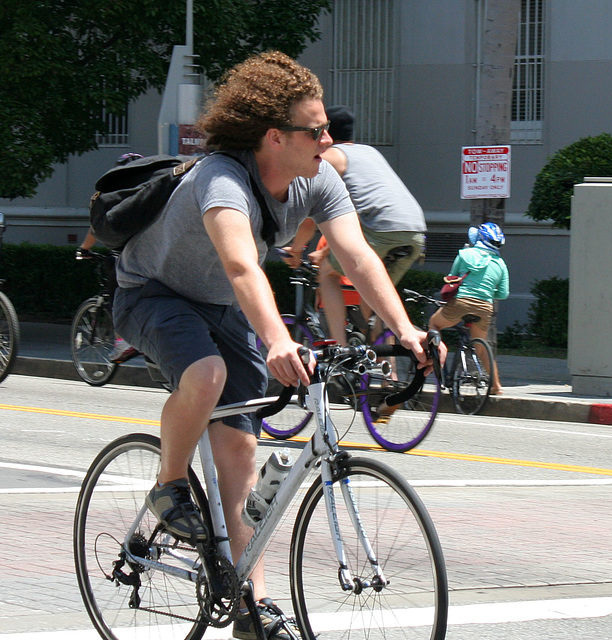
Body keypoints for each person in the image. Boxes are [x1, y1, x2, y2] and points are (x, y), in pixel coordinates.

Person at [111, 51, 443, 640]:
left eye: (326, 129)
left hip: (217, 305)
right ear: (274, 136)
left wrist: (408, 331)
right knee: (207, 375)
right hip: (153, 293)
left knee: (240, 452)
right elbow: (241, 266)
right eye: (314, 130)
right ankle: (168, 485)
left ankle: (251, 606)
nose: (327, 138)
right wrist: (276, 340)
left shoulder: (318, 176)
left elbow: (358, 256)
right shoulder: (220, 178)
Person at [285, 104, 426, 345]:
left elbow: (312, 216)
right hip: (414, 231)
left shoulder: (330, 157)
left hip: (381, 228)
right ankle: (379, 361)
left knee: (327, 273)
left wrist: (297, 249)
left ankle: (340, 347)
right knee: (378, 294)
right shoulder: (371, 152)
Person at [76, 153, 145, 363]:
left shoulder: (115, 192)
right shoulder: (156, 187)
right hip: (159, 254)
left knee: (117, 292)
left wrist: (84, 249)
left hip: (127, 254)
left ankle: (122, 340)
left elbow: (97, 228)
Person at [428, 222, 509, 395]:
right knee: (481, 347)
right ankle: (496, 386)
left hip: (461, 302)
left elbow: (452, 278)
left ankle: (438, 363)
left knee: (434, 324)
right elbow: (503, 293)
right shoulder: (501, 264)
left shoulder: (464, 254)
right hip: (485, 307)